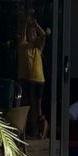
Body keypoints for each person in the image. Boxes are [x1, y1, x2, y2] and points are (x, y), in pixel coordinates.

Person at [18, 9, 50, 137]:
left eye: (34, 33)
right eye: (30, 32)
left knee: (38, 105)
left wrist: (35, 25)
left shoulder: (38, 47)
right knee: (24, 104)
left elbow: (44, 35)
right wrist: (27, 23)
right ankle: (22, 130)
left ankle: (42, 128)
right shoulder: (23, 46)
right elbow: (22, 35)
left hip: (38, 79)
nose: (32, 34)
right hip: (25, 79)